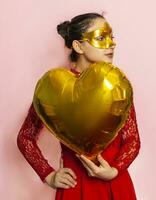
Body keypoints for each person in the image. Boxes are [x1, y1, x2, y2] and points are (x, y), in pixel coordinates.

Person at [17, 12, 141, 200]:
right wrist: (49, 175)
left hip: (115, 185)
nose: (111, 43)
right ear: (78, 46)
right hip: (76, 188)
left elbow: (132, 139)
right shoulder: (55, 87)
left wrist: (115, 171)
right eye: (101, 37)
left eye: (111, 37)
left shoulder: (115, 84)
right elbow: (25, 137)